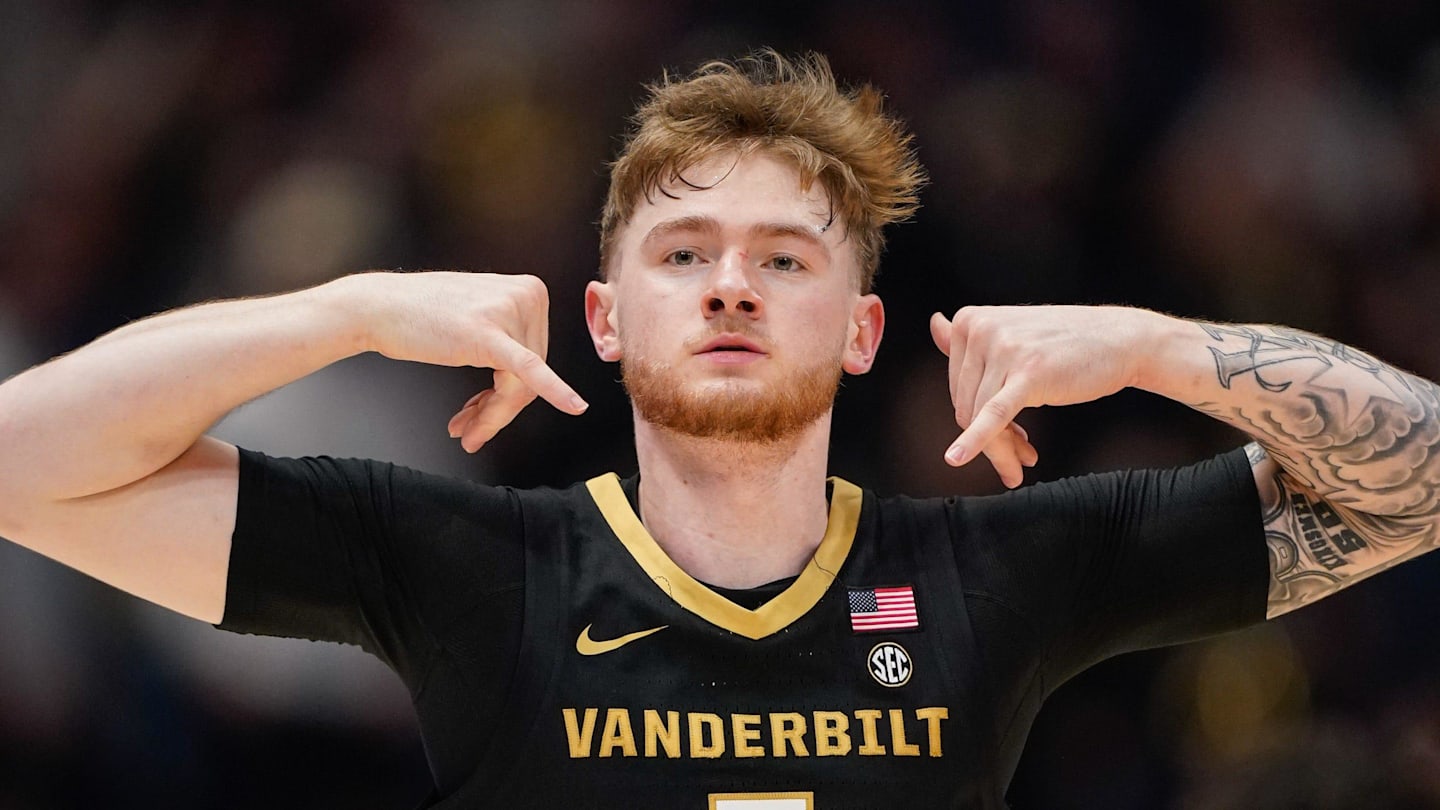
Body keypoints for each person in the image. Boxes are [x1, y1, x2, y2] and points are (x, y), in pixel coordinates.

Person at [0, 51, 1436, 809]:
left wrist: (1154, 346)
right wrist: (347, 309)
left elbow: (1420, 480)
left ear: (862, 331)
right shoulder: (473, 568)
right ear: (605, 319)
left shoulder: (996, 574)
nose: (732, 283)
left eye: (786, 258)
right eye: (683, 254)